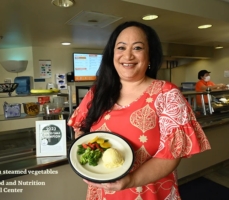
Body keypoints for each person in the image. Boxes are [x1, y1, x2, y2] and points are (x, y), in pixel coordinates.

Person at [68, 21, 211, 200]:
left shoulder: (167, 94)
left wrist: (131, 180)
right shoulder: (97, 92)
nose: (127, 55)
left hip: (150, 193)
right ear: (112, 54)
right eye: (121, 47)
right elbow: (80, 128)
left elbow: (171, 154)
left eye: (137, 48)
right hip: (102, 193)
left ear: (150, 55)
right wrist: (85, 163)